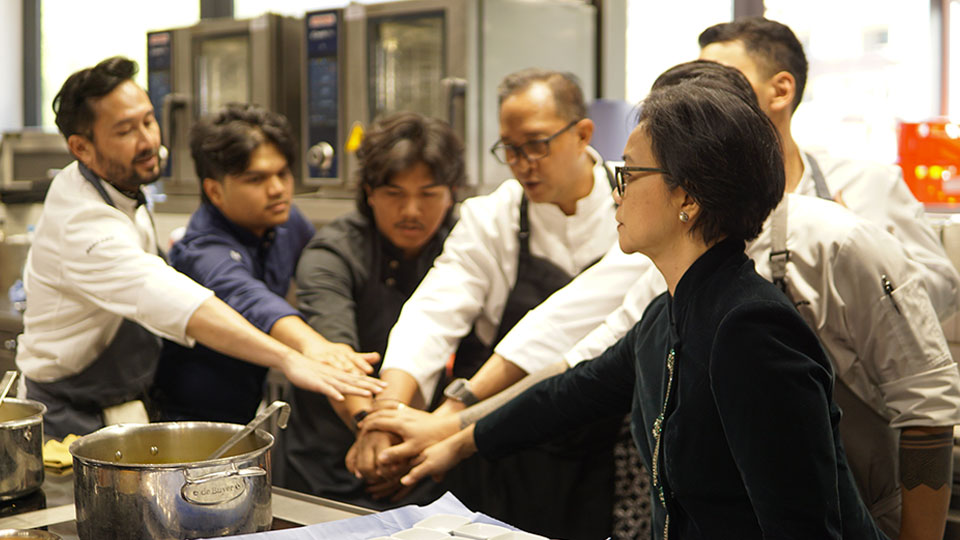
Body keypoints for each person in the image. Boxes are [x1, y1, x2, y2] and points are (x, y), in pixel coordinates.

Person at [365, 56, 960, 540]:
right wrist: (454, 439)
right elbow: (577, 382)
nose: (615, 191)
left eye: (630, 173)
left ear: (689, 199)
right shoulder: (667, 309)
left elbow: (802, 526)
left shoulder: (750, 327)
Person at [16, 57, 384, 439]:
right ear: (82, 148)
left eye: (148, 120)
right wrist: (289, 356)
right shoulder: (83, 222)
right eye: (126, 131)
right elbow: (174, 298)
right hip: (64, 412)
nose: (148, 141)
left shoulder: (118, 188)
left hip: (120, 403)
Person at [351, 68, 621, 538]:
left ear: (582, 134)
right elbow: (434, 311)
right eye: (509, 148)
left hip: (601, 446)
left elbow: (559, 326)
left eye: (536, 144)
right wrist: (388, 413)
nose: (522, 163)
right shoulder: (492, 215)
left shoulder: (631, 206)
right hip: (496, 447)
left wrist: (448, 415)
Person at [278, 112, 464, 508]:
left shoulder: (466, 248)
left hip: (429, 460)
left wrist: (412, 447)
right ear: (369, 193)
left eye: (428, 194)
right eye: (395, 194)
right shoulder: (333, 253)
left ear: (451, 194)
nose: (412, 210)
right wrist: (373, 429)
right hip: (326, 466)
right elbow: (335, 354)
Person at [151, 103, 378, 424]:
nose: (277, 190)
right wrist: (311, 345)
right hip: (187, 417)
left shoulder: (287, 222)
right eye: (256, 179)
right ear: (214, 191)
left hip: (246, 406)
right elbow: (249, 297)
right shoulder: (200, 249)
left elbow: (319, 276)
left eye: (282, 174)